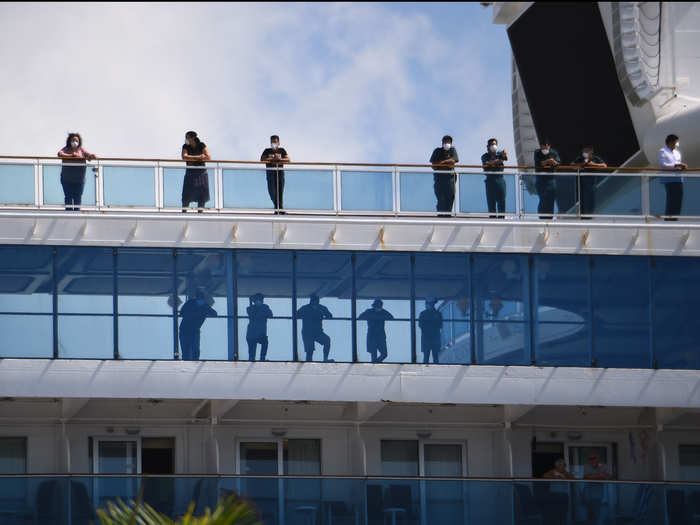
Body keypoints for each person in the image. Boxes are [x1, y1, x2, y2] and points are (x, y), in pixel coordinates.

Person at [57, 133, 97, 211]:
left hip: (79, 180)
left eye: (76, 140)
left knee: (77, 197)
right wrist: (71, 156)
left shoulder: (81, 150)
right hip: (67, 179)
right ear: (69, 141)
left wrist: (92, 156)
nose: (75, 142)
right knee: (68, 197)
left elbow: (89, 156)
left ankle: (76, 213)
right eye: (73, 140)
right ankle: (68, 213)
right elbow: (59, 154)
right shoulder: (66, 149)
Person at [178, 289, 217, 361]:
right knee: (188, 350)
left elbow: (214, 314)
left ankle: (192, 362)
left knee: (192, 350)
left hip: (190, 330)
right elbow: (182, 312)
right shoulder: (195, 304)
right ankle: (190, 362)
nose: (200, 300)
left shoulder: (202, 305)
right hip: (187, 330)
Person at [572, 146, 607, 218]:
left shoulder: (595, 158)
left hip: (591, 181)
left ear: (591, 152)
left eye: (586, 151)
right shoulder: (580, 158)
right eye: (583, 151)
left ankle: (590, 215)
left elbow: (604, 166)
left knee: (590, 199)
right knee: (581, 199)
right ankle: (582, 215)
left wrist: (593, 164)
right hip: (580, 181)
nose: (584, 153)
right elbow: (572, 165)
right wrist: (581, 164)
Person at [658, 134, 687, 220]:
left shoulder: (677, 153)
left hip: (678, 179)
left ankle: (675, 218)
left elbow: (678, 164)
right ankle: (668, 219)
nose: (676, 144)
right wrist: (676, 165)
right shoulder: (662, 151)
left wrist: (682, 167)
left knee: (679, 199)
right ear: (671, 142)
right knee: (671, 199)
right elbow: (663, 165)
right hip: (669, 179)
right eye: (675, 142)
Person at [296, 294, 333, 362]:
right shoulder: (305, 308)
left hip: (317, 332)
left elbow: (330, 316)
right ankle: (309, 363)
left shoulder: (321, 308)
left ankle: (325, 359)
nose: (315, 301)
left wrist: (323, 313)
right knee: (310, 350)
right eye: (314, 300)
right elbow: (296, 315)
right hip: (308, 332)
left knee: (327, 340)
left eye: (316, 300)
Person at [181, 131, 211, 212]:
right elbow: (184, 157)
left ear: (192, 138)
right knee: (186, 194)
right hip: (190, 172)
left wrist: (191, 157)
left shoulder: (201, 145)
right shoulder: (185, 146)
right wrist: (199, 157)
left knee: (202, 194)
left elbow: (208, 157)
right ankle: (184, 213)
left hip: (201, 173)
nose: (186, 139)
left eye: (187, 137)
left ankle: (200, 213)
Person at [429, 135, 459, 216]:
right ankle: (441, 215)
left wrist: (441, 163)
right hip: (439, 179)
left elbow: (453, 160)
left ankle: (448, 215)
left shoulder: (452, 150)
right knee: (441, 199)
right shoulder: (437, 151)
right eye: (445, 142)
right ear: (442, 143)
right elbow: (433, 165)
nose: (447, 143)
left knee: (450, 197)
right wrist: (446, 163)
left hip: (450, 179)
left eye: (449, 142)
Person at [260, 135, 290, 214]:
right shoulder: (267, 151)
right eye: (272, 142)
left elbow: (288, 159)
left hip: (280, 174)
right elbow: (262, 159)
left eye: (275, 142)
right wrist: (272, 159)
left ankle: (279, 210)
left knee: (280, 192)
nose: (274, 144)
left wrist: (279, 159)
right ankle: (278, 209)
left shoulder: (282, 150)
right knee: (272, 192)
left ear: (278, 142)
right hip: (270, 174)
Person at [358, 299, 394, 363]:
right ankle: (375, 364)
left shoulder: (383, 312)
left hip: (380, 335)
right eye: (377, 306)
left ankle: (376, 362)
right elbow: (360, 317)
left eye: (379, 306)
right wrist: (372, 316)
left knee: (384, 354)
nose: (378, 307)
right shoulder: (369, 311)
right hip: (372, 335)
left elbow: (391, 317)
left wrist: (379, 316)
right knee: (374, 353)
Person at [541, 458, 574, 525]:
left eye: (565, 465)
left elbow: (573, 479)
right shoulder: (553, 471)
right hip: (554, 495)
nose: (564, 467)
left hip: (564, 496)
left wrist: (564, 475)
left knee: (563, 514)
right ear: (557, 466)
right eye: (563, 465)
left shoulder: (566, 473)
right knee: (554, 513)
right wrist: (555, 477)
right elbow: (544, 476)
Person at [582, 451, 612, 525]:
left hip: (599, 495)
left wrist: (594, 476)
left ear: (598, 458)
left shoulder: (604, 466)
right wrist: (600, 475)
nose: (591, 460)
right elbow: (585, 477)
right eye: (590, 458)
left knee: (597, 513)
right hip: (587, 494)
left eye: (593, 458)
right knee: (588, 513)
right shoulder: (586, 466)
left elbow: (609, 477)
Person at [481, 138, 508, 218]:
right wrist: (498, 161)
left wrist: (503, 155)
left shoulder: (499, 154)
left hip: (500, 179)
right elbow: (487, 164)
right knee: (491, 202)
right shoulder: (485, 156)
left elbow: (504, 157)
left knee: (502, 201)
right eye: (492, 144)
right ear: (488, 146)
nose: (494, 146)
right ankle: (492, 220)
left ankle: (501, 220)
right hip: (490, 180)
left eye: (495, 144)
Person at [533, 140, 561, 219]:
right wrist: (548, 161)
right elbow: (539, 163)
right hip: (540, 180)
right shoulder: (537, 152)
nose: (544, 148)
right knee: (543, 199)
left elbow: (558, 163)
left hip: (551, 180)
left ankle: (550, 218)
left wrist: (553, 161)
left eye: (545, 146)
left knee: (551, 199)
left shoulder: (553, 153)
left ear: (549, 146)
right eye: (542, 146)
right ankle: (542, 217)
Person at [246, 293, 273, 361]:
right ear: (254, 301)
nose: (260, 301)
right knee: (252, 351)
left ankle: (262, 358)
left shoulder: (265, 307)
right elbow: (251, 314)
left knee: (265, 343)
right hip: (252, 333)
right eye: (258, 300)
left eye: (261, 300)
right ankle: (252, 359)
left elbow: (270, 315)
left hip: (261, 332)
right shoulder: (250, 308)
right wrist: (251, 303)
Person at [418, 297, 442, 364]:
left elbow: (440, 325)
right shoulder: (424, 314)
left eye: (432, 304)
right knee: (427, 356)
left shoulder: (437, 314)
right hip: (428, 338)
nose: (432, 305)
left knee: (435, 357)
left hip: (433, 338)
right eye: (430, 304)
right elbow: (421, 325)